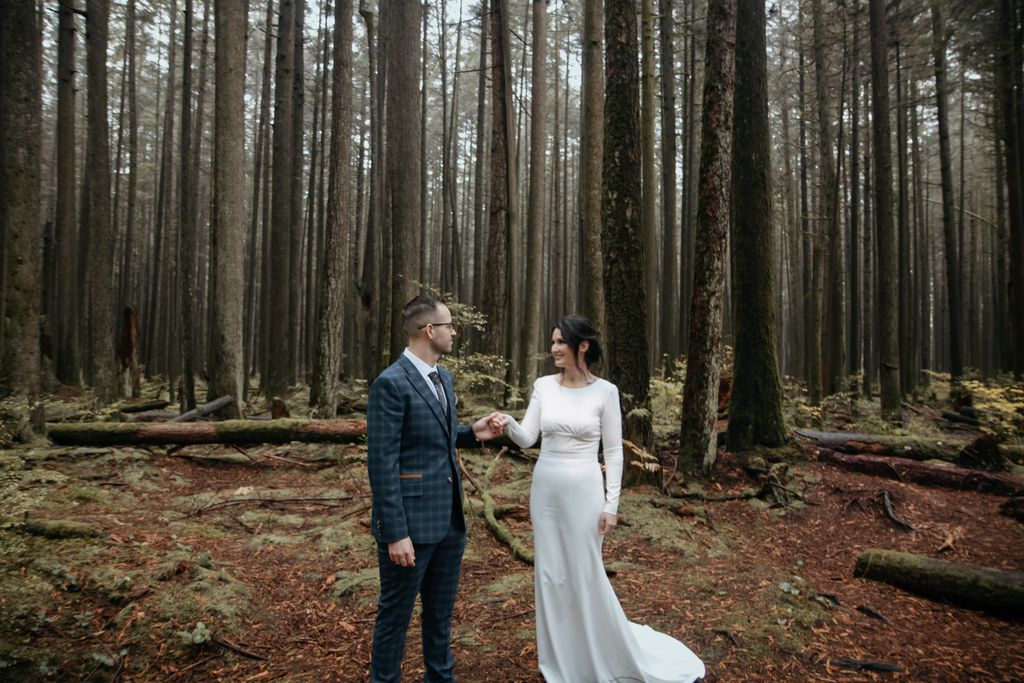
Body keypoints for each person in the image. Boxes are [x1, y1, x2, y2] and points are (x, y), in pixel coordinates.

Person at [502, 315, 705, 683]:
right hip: (546, 489)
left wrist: (612, 504)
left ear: (582, 346)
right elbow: (528, 437)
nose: (553, 349)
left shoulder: (605, 392)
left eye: (561, 342)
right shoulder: (544, 386)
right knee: (549, 575)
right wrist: (507, 425)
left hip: (585, 490)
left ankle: (596, 652)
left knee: (584, 572)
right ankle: (558, 663)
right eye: (552, 342)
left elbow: (613, 453)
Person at [367, 294, 504, 683]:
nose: (454, 332)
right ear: (430, 330)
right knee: (395, 615)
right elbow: (382, 464)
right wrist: (395, 533)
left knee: (440, 615)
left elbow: (432, 440)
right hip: (409, 526)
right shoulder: (390, 384)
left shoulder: (443, 377)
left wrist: (470, 433)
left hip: (449, 521)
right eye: (449, 326)